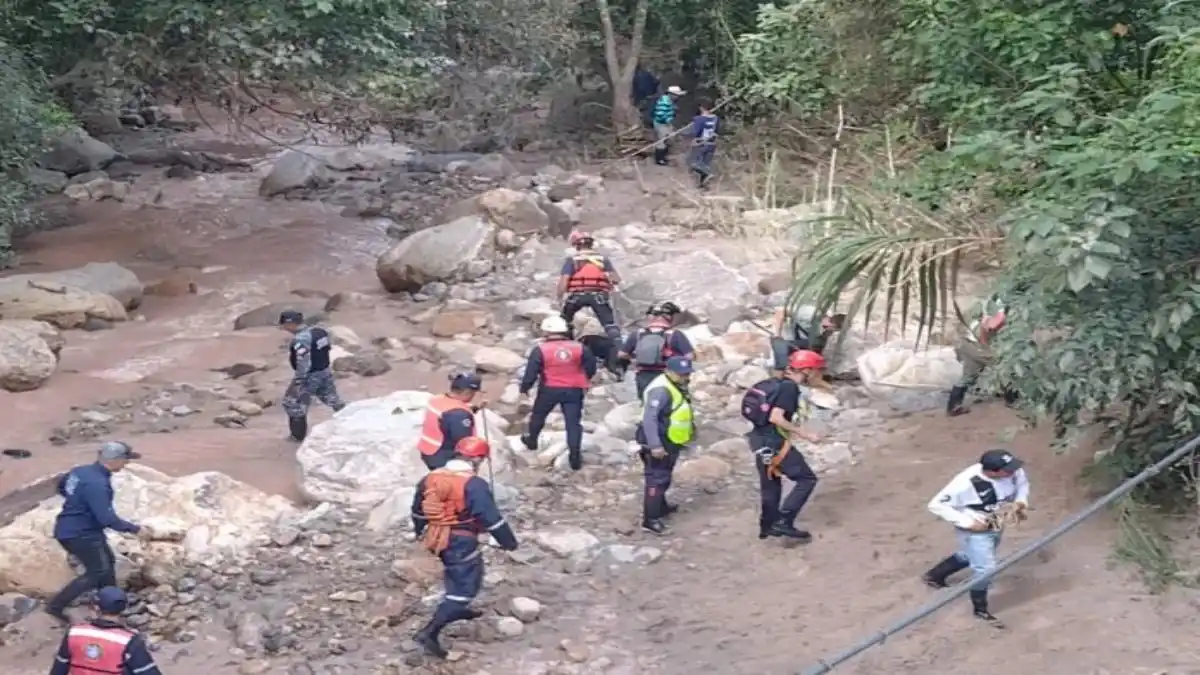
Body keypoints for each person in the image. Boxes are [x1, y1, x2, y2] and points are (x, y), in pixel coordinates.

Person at [410, 436, 519, 659]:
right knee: (466, 586)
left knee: (458, 572)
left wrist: (420, 531)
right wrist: (509, 542)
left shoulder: (429, 478)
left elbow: (417, 511)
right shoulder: (474, 485)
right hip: (460, 540)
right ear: (476, 460)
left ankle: (457, 607)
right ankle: (430, 633)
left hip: (436, 536)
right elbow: (491, 519)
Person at [46, 442, 151, 623]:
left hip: (73, 528)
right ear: (114, 460)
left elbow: (62, 487)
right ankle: (56, 606)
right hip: (80, 533)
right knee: (96, 572)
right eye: (125, 460)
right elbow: (106, 518)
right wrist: (136, 529)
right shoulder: (98, 484)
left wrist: (77, 502)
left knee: (108, 562)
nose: (127, 463)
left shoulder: (80, 472)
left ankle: (111, 600)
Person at [923, 449, 1030, 627]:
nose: (1014, 471)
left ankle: (934, 576)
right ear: (992, 471)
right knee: (986, 569)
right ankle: (980, 609)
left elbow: (1022, 485)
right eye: (1008, 470)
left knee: (972, 554)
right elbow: (936, 504)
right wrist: (968, 523)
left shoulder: (1013, 471)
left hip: (997, 520)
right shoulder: (965, 483)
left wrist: (1020, 503)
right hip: (975, 526)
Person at [743, 350, 827, 542]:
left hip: (759, 440)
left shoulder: (776, 382)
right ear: (807, 370)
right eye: (816, 370)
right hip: (774, 442)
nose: (818, 374)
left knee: (770, 485)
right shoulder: (790, 388)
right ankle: (784, 521)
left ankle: (767, 526)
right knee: (806, 479)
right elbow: (776, 417)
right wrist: (806, 434)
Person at [519, 316, 598, 470]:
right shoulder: (579, 347)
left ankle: (532, 440)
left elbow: (531, 373)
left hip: (549, 388)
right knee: (573, 423)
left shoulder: (540, 350)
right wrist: (583, 378)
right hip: (574, 389)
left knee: (538, 415)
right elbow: (591, 367)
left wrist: (524, 388)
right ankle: (575, 456)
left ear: (546, 331)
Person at [636, 356, 696, 535]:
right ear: (668, 372)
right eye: (681, 374)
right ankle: (650, 520)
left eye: (687, 374)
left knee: (664, 477)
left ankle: (660, 507)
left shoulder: (675, 384)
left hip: (670, 440)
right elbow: (649, 419)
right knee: (656, 479)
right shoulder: (661, 390)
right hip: (659, 441)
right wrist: (655, 445)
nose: (685, 377)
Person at [49, 586, 162, 675]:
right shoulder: (129, 640)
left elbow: (58, 670)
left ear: (96, 607)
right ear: (123, 609)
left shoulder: (74, 633)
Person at [558, 230, 622, 371]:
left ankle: (566, 350)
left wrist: (559, 298)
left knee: (564, 323)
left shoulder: (572, 260)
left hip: (577, 295)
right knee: (610, 326)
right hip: (599, 295)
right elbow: (616, 279)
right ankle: (619, 355)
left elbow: (564, 282)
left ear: (576, 245)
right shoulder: (602, 260)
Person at [279, 310, 346, 441]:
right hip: (324, 371)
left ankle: (297, 437)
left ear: (290, 324)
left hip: (309, 376)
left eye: (284, 325)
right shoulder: (320, 331)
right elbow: (327, 348)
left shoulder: (300, 339)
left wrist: (298, 381)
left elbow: (304, 362)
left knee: (292, 403)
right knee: (333, 400)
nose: (283, 328)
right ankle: (353, 420)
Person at [619, 302, 695, 399]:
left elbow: (622, 354)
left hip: (643, 376)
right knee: (671, 403)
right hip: (668, 376)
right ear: (669, 317)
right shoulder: (675, 334)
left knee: (647, 403)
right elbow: (690, 356)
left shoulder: (638, 334)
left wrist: (635, 358)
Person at [947, 295, 1008, 416]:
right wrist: (984, 345)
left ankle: (953, 407)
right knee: (1005, 366)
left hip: (967, 343)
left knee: (969, 376)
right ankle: (1012, 399)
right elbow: (987, 326)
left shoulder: (981, 306)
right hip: (976, 344)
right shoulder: (997, 307)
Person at [417, 372, 484, 470]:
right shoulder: (459, 415)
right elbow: (465, 443)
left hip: (428, 451)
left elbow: (448, 415)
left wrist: (475, 408)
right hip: (443, 458)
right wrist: (477, 457)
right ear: (467, 393)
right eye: (473, 393)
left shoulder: (437, 400)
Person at [769, 305, 845, 371]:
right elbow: (780, 311)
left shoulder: (826, 330)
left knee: (818, 344)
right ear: (832, 325)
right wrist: (777, 334)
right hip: (784, 335)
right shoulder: (810, 313)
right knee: (781, 353)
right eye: (834, 330)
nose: (833, 333)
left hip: (800, 340)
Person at [689, 98, 720, 189]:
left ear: (701, 108)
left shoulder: (699, 119)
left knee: (695, 163)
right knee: (706, 164)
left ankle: (708, 174)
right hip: (712, 144)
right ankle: (703, 185)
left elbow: (696, 132)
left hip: (701, 143)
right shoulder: (716, 118)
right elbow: (717, 131)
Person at [651, 85, 686, 166]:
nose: (678, 97)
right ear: (672, 94)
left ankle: (663, 156)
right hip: (661, 123)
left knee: (669, 138)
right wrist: (669, 120)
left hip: (666, 123)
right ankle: (659, 159)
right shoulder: (664, 101)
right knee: (662, 140)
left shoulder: (669, 100)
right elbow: (660, 114)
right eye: (677, 95)